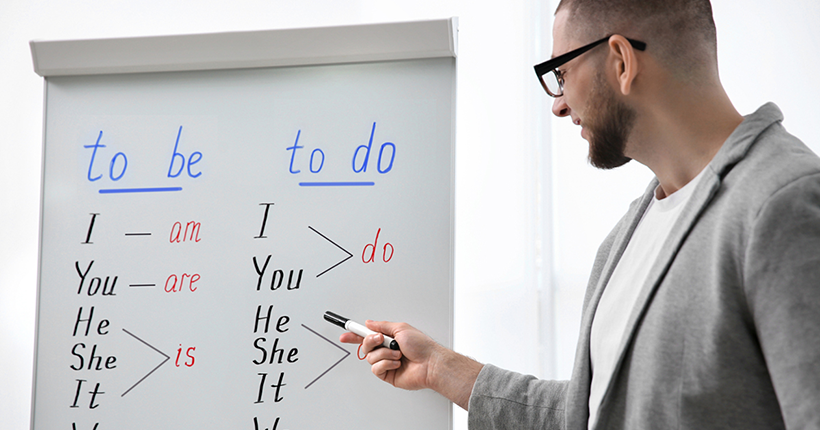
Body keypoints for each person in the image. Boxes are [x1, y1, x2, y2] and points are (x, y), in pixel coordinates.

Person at [341, 0, 820, 428]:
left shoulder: (783, 202)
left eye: (562, 73)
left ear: (621, 60)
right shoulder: (628, 234)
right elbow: (595, 413)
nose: (558, 103)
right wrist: (441, 369)